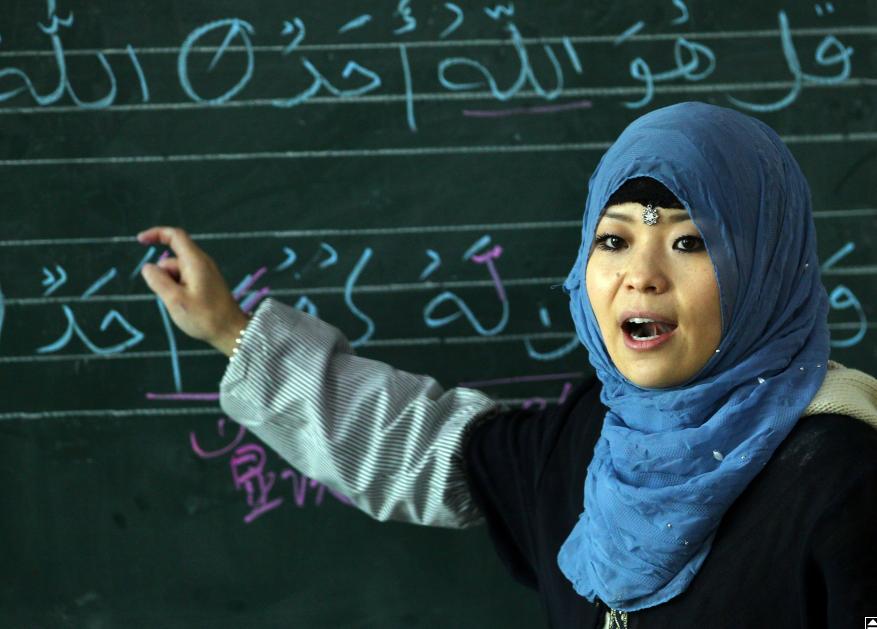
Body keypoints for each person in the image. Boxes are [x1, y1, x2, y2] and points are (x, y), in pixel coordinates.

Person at [137, 102, 877, 628]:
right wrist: (230, 330)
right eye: (613, 240)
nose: (639, 276)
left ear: (768, 268)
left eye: (689, 243)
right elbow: (424, 446)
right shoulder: (595, 440)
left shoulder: (844, 472)